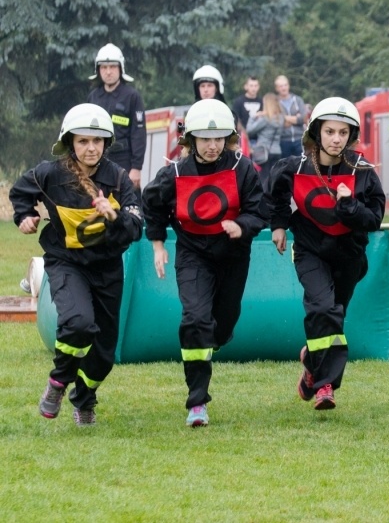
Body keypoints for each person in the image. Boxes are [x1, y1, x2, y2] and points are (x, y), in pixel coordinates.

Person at [9, 103, 143, 425]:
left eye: (97, 141)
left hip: (107, 267)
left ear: (106, 144)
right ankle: (57, 383)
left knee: (105, 355)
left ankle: (83, 399)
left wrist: (115, 215)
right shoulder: (50, 173)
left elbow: (136, 226)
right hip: (66, 262)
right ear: (70, 142)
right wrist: (24, 216)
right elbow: (20, 193)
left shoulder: (119, 180)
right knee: (79, 323)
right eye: (83, 141)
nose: (91, 148)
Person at [142, 99, 268, 427]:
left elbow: (260, 211)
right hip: (192, 255)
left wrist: (242, 226)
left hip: (233, 257)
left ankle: (215, 337)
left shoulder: (242, 169)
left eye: (218, 139)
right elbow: (152, 204)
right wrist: (158, 245)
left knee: (221, 327)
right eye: (205, 139)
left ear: (228, 139)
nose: (212, 146)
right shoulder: (175, 172)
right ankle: (197, 402)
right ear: (191, 140)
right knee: (196, 321)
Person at [266, 97, 386, 410]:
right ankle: (325, 386)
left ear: (351, 136)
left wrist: (349, 205)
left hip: (350, 254)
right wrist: (278, 226)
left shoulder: (361, 171)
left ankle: (311, 362)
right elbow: (275, 196)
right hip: (309, 251)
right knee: (322, 309)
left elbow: (373, 219)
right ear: (316, 133)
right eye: (330, 131)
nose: (336, 139)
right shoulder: (294, 167)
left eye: (343, 133)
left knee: (335, 317)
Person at [87, 43, 147, 192]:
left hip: (124, 161)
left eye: (112, 67)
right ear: (98, 70)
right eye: (104, 67)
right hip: (97, 160)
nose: (108, 72)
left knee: (128, 207)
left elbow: (138, 134)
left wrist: (136, 168)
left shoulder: (132, 96)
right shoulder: (93, 97)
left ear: (120, 68)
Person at [246, 92, 284, 187]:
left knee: (263, 178)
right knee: (273, 178)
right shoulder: (281, 118)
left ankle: (263, 200)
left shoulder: (265, 119)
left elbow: (249, 130)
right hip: (277, 151)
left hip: (264, 152)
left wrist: (254, 117)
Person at [274, 75, 307, 159]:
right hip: (283, 140)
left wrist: (284, 117)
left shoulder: (297, 100)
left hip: (299, 139)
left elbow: (303, 118)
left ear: (288, 86)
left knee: (300, 166)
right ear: (277, 88)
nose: (284, 88)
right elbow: (275, 120)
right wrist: (294, 118)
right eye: (281, 86)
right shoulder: (275, 102)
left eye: (285, 85)